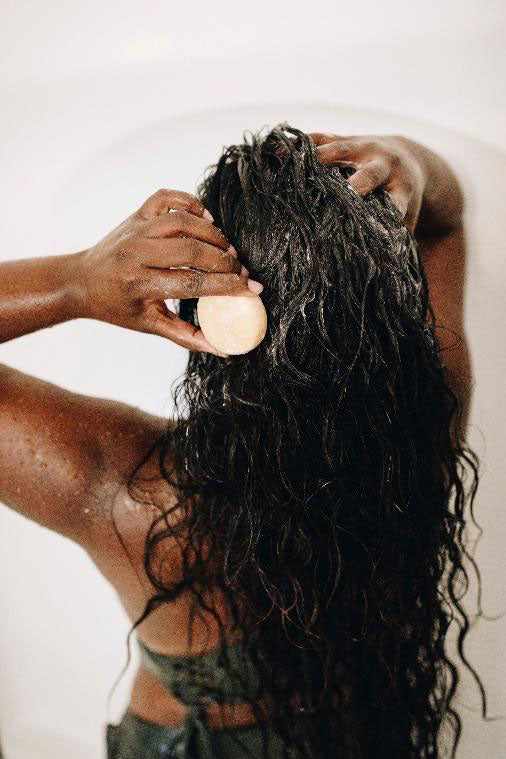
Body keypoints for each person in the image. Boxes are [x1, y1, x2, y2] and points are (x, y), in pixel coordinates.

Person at [0, 125, 482, 758]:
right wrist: (412, 164)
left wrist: (76, 283)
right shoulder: (427, 416)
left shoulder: (139, 500)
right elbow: (445, 224)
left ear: (217, 324)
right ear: (387, 302)